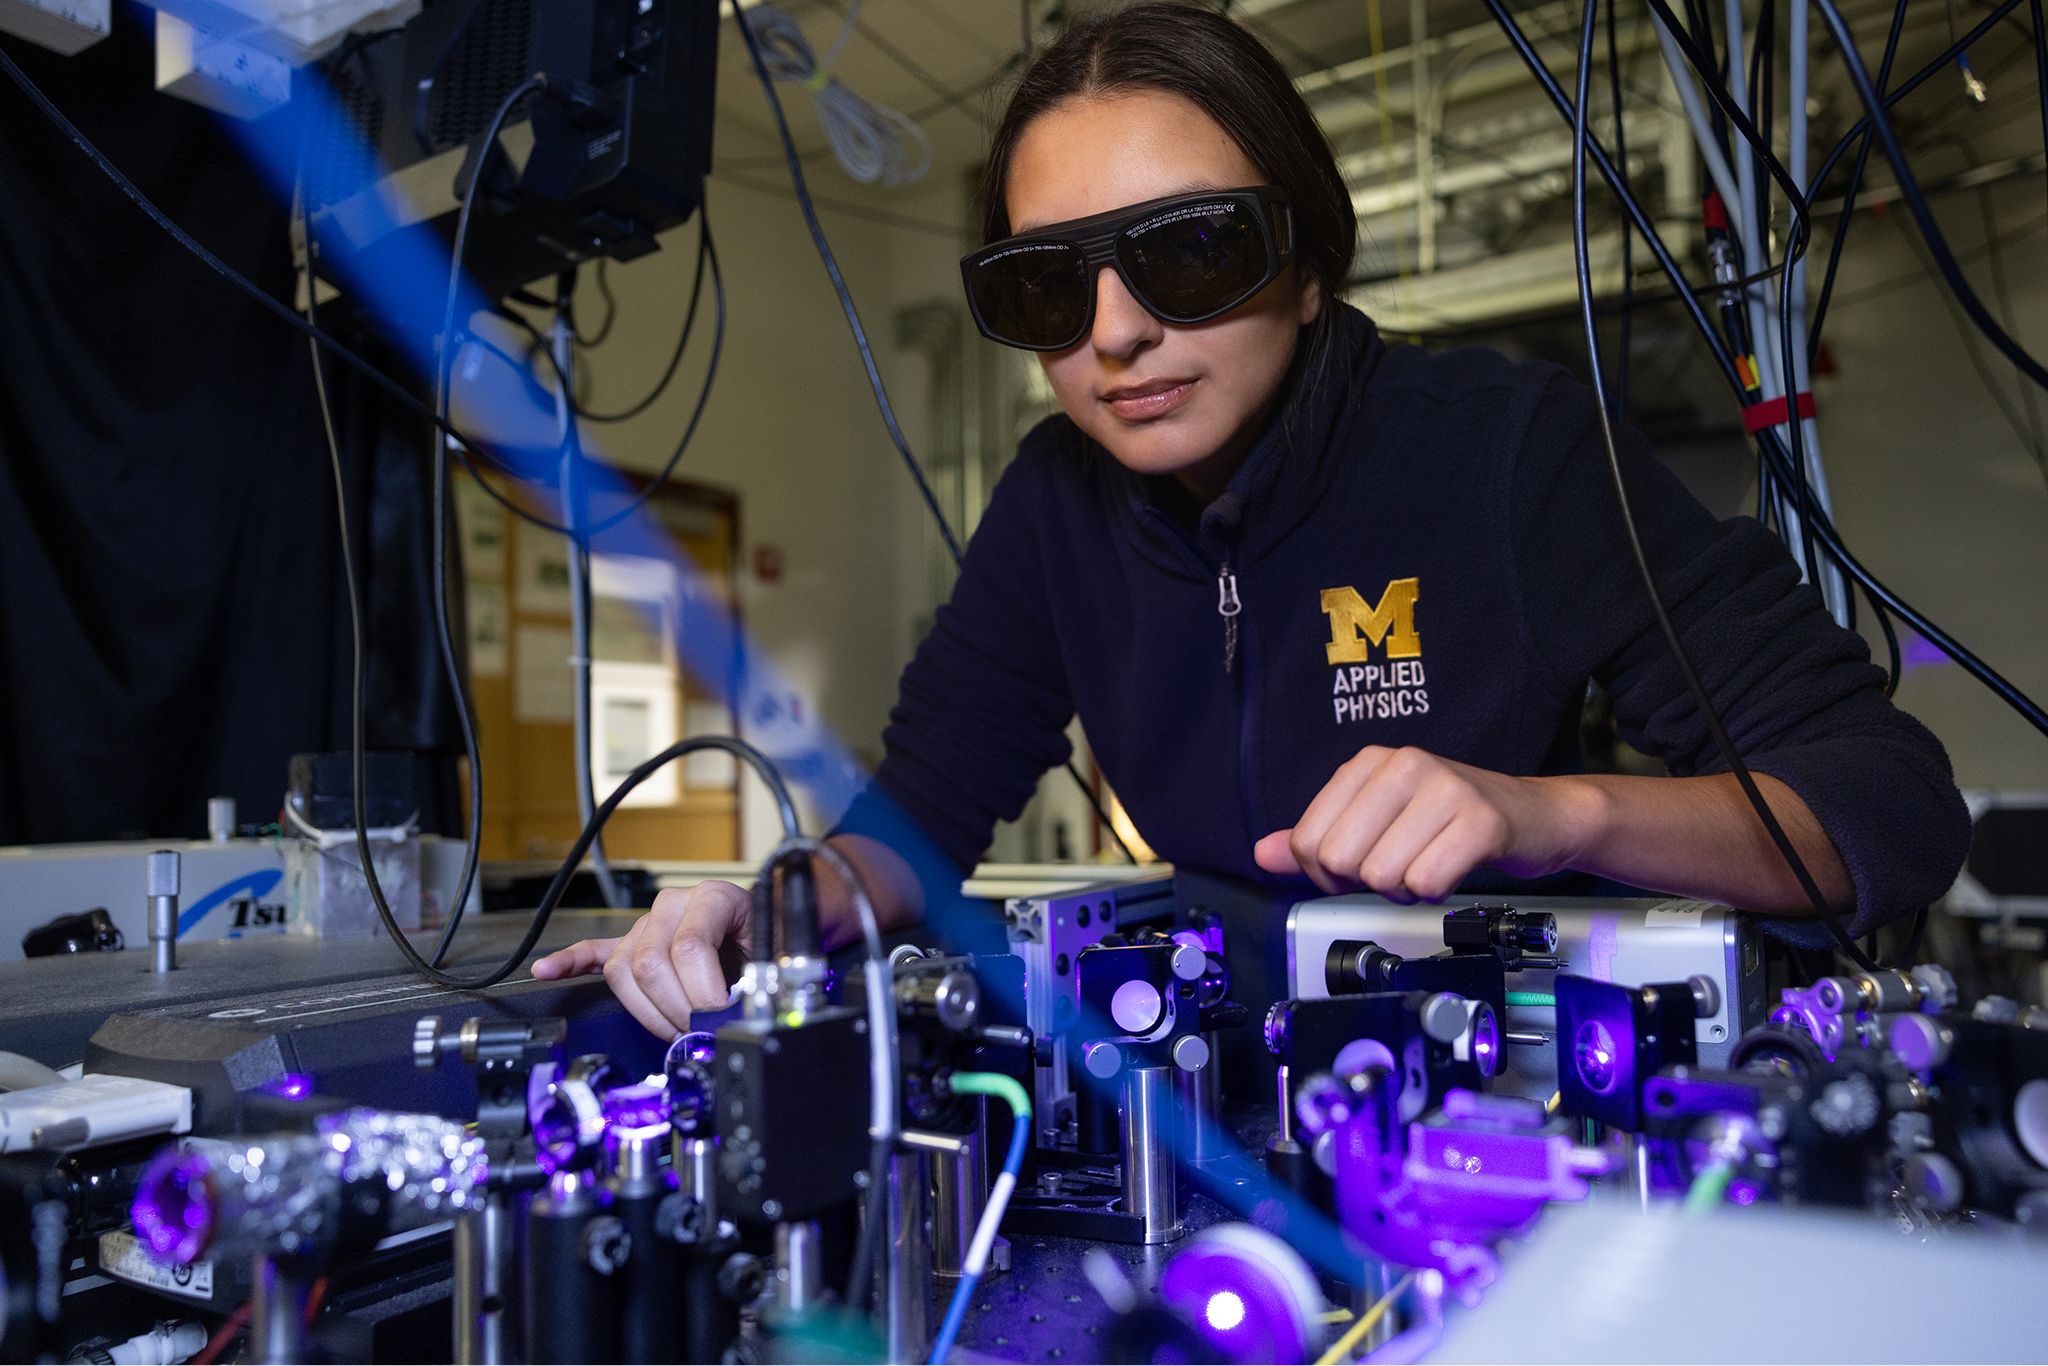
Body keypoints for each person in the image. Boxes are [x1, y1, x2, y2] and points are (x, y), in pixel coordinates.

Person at [536, 2, 1969, 1040]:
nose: (1118, 335)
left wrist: (1547, 813)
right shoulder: (1055, 502)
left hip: (1504, 1080)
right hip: (1216, 1076)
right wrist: (770, 907)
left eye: (1194, 251)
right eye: (1050, 288)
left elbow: (1887, 805)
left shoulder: (1506, 448)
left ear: (1305, 264)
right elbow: (918, 816)